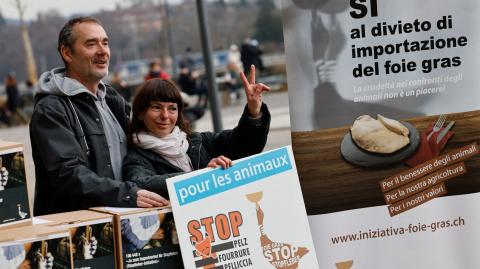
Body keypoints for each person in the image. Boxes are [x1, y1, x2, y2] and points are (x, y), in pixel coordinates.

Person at [29, 16, 167, 216]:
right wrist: (128, 195)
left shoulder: (112, 98)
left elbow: (150, 146)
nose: (103, 51)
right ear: (67, 53)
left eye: (105, 43)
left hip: (126, 218)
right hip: (81, 231)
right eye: (91, 44)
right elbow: (69, 174)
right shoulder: (51, 109)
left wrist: (200, 160)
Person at [123, 65, 270, 198]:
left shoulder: (198, 142)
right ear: (141, 113)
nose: (165, 115)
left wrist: (254, 110)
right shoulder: (136, 157)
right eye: (156, 107)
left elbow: (245, 144)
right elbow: (141, 184)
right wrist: (202, 177)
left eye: (172, 108)